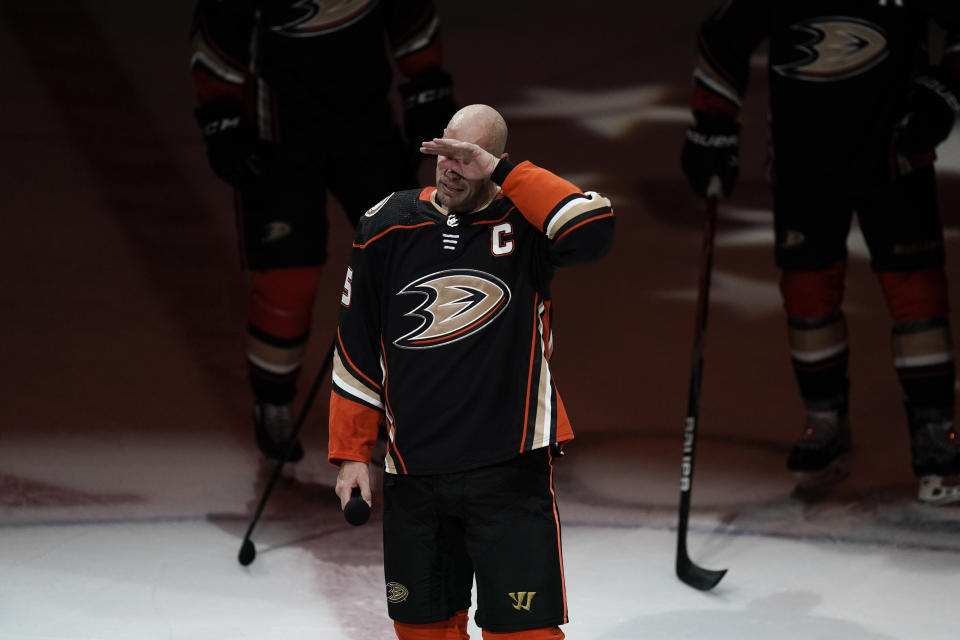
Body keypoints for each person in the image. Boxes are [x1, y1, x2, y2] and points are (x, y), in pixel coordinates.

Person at [328, 104, 614, 639]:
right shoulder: (384, 226)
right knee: (422, 632)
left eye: (468, 157)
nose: (451, 168)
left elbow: (593, 227)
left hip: (509, 470)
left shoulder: (526, 224)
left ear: (492, 159)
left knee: (525, 635)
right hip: (414, 471)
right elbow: (356, 347)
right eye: (445, 152)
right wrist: (350, 455)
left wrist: (505, 173)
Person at [681, 0, 960, 503]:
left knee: (918, 294)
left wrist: (943, 91)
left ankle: (937, 431)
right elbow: (722, 39)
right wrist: (712, 128)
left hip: (895, 157)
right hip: (803, 165)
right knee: (808, 298)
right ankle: (825, 423)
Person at [189, 0, 456, 462]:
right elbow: (217, 39)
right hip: (276, 141)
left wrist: (426, 88)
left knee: (405, 264)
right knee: (288, 277)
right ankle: (273, 403)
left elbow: (410, 20)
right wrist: (223, 123)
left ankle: (397, 404)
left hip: (367, 130)